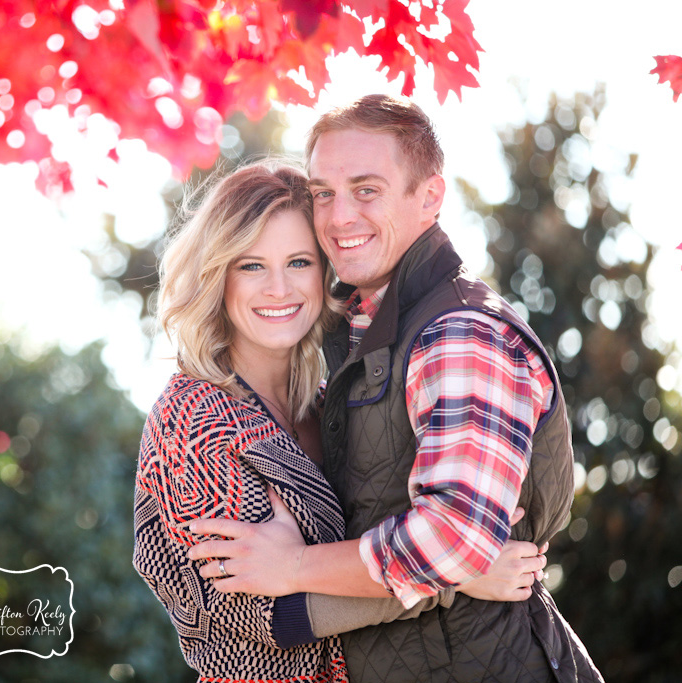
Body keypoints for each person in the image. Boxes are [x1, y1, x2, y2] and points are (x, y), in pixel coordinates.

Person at [186, 96, 604, 682]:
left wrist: (297, 567)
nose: (337, 218)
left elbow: (454, 539)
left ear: (429, 196)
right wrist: (455, 582)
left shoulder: (458, 334)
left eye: (366, 189)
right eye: (324, 193)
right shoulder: (356, 335)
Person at [134, 160, 548, 682]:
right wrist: (455, 576)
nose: (279, 289)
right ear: (218, 275)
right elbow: (272, 614)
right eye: (251, 266)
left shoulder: (333, 406)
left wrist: (453, 541)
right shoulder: (192, 419)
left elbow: (422, 522)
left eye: (300, 262)